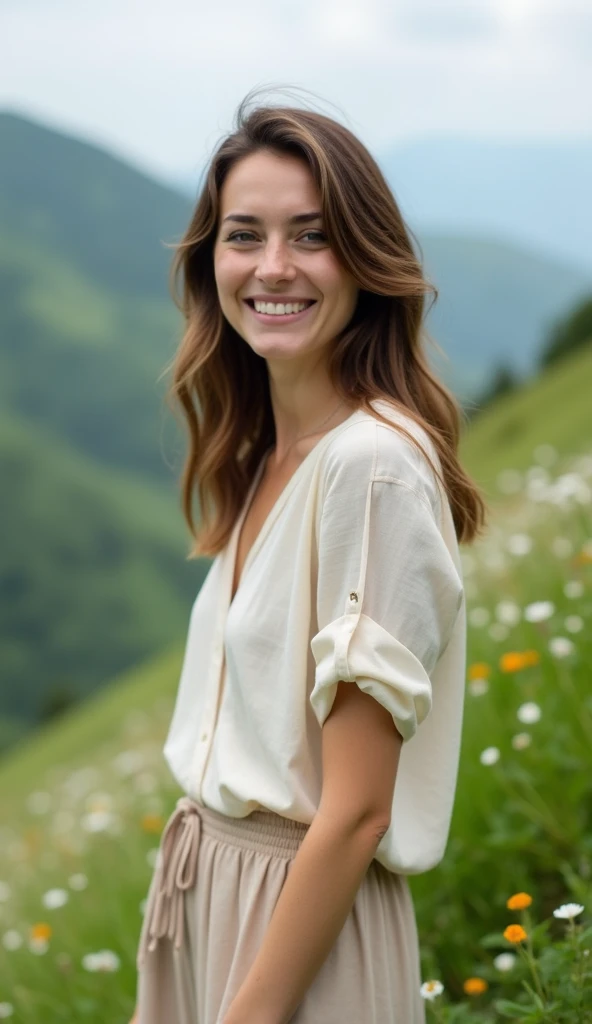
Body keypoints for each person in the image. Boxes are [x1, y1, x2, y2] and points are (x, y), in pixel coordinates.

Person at [130, 92, 488, 1024]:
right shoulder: (270, 457)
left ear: (365, 260)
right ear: (212, 261)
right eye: (244, 235)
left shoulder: (371, 468)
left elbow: (359, 811)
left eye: (311, 236)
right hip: (214, 901)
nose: (273, 267)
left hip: (301, 936)